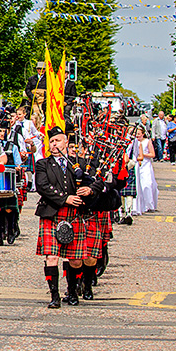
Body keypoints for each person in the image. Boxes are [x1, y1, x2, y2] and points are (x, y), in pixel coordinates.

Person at [34, 126, 102, 309]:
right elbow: (42, 186)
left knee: (76, 259)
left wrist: (90, 190)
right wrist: (65, 198)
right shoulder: (43, 164)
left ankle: (72, 291)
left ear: (66, 142)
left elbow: (97, 181)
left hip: (74, 215)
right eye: (51, 141)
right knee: (51, 257)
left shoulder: (78, 163)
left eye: (57, 140)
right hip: (52, 213)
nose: (54, 144)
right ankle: (54, 296)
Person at [127, 126, 157, 214]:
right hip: (136, 165)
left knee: (147, 185)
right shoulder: (133, 142)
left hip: (145, 164)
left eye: (139, 134)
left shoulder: (146, 141)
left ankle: (149, 204)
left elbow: (152, 154)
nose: (137, 135)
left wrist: (142, 155)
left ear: (143, 134)